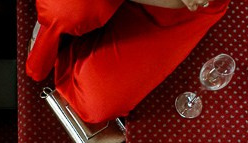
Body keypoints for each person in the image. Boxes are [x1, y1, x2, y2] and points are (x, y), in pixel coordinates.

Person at [26, 0, 230, 123]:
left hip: (173, 10)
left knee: (97, 102)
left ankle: (80, 33)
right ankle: (59, 26)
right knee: (68, 9)